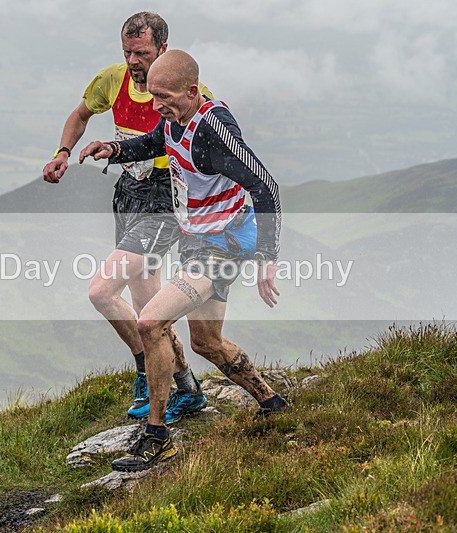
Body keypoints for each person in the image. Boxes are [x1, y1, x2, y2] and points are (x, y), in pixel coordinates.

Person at [80, 50, 289, 472]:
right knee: (206, 342)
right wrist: (115, 148)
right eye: (153, 96)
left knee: (150, 322)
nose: (156, 105)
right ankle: (273, 403)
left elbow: (266, 185)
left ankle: (157, 437)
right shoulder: (174, 116)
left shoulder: (213, 128)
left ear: (191, 91)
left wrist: (268, 256)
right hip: (199, 239)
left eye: (165, 97)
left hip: (225, 245)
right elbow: (156, 140)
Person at [43, 12, 213, 423]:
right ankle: (187, 389)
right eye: (128, 52)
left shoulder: (187, 92)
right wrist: (62, 153)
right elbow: (80, 114)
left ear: (163, 51)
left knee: (102, 291)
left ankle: (143, 370)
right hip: (128, 194)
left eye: (143, 53)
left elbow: (215, 140)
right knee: (146, 303)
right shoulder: (113, 80)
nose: (134, 61)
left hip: (164, 202)